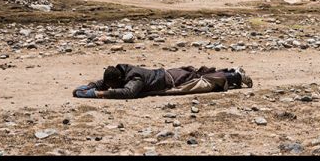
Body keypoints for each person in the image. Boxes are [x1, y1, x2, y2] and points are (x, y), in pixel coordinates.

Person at [72, 63, 252, 99]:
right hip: (168, 74)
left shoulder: (134, 78)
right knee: (201, 76)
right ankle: (232, 72)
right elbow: (105, 82)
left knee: (204, 82)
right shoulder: (119, 72)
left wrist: (98, 94)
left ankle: (235, 76)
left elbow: (128, 93)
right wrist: (89, 86)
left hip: (173, 80)